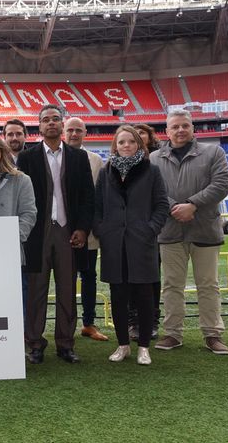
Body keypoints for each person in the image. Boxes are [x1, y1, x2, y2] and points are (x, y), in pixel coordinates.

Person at [17, 105, 95, 364]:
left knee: (66, 290)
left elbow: (87, 197)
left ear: (62, 125)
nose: (51, 123)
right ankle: (35, 344)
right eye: (45, 120)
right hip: (38, 233)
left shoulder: (77, 157)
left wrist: (83, 229)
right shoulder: (27, 158)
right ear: (39, 127)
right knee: (36, 292)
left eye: (55, 119)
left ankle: (65, 344)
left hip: (68, 232)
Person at [150, 110, 228, 354]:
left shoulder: (213, 152)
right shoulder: (154, 158)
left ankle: (212, 334)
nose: (180, 130)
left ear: (192, 128)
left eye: (185, 125)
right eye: (175, 126)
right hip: (170, 230)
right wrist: (175, 207)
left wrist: (193, 204)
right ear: (167, 131)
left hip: (204, 229)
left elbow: (221, 184)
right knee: (171, 285)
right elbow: (152, 191)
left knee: (208, 285)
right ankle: (173, 333)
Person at [94, 126, 169, 365]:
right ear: (115, 146)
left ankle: (144, 347)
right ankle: (123, 345)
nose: (126, 145)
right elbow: (96, 208)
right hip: (114, 244)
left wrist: (149, 230)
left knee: (145, 296)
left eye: (131, 141)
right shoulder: (106, 173)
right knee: (118, 296)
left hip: (142, 243)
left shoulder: (152, 171)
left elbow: (161, 206)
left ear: (139, 144)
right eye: (121, 142)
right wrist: (103, 231)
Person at [64, 117, 108, 342]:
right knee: (63, 278)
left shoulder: (96, 160)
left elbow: (98, 197)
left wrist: (92, 226)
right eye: (70, 130)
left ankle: (88, 323)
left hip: (86, 230)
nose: (73, 134)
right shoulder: (53, 156)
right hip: (59, 229)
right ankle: (65, 324)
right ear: (64, 131)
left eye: (77, 130)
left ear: (85, 133)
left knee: (88, 275)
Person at [130, 123, 163, 340]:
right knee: (130, 278)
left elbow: (160, 198)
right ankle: (133, 321)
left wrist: (152, 227)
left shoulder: (157, 161)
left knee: (152, 278)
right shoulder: (117, 165)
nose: (138, 137)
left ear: (150, 137)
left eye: (142, 133)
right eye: (133, 134)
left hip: (152, 231)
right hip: (129, 232)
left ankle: (151, 320)